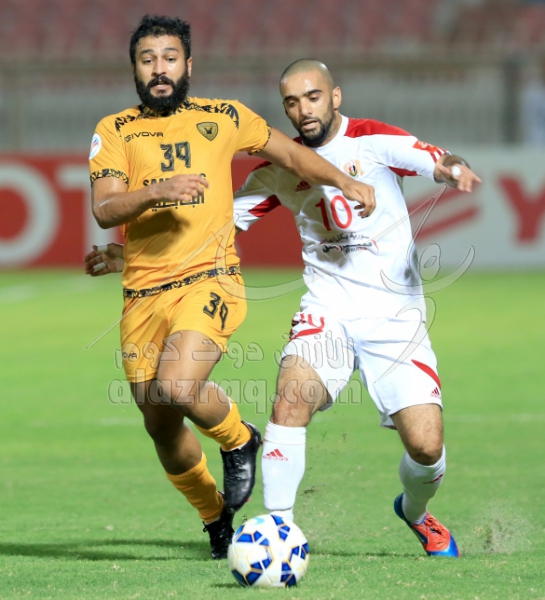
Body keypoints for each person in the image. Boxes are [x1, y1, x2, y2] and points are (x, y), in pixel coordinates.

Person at [85, 19, 375, 561]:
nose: (160, 69)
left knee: (177, 384)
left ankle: (240, 438)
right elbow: (105, 208)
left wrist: (343, 180)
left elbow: (292, 156)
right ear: (135, 70)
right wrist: (159, 191)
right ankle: (214, 516)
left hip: (209, 280)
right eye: (148, 60)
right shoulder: (115, 129)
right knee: (160, 425)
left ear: (188, 66)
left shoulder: (225, 117)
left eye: (170, 58)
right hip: (142, 295)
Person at [232, 59, 481, 557]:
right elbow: (219, 228)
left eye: (313, 97)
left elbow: (435, 158)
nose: (303, 110)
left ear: (335, 97)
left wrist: (451, 168)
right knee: (290, 401)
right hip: (328, 308)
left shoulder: (372, 140)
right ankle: (279, 533)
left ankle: (415, 512)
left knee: (426, 447)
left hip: (395, 319)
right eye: (291, 102)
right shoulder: (281, 167)